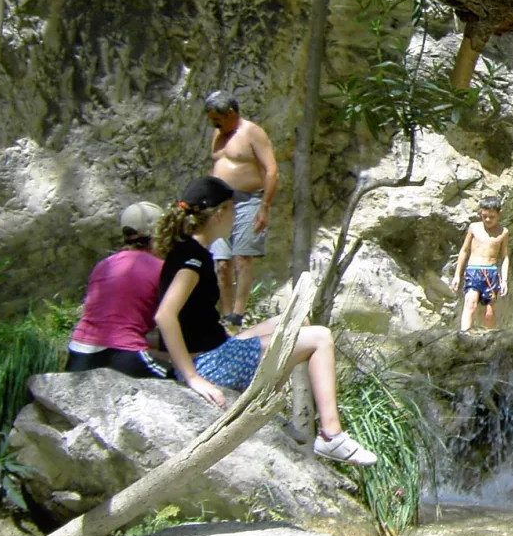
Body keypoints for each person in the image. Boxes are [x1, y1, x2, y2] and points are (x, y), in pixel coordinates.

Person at [154, 175, 376, 465]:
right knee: (321, 337)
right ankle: (332, 436)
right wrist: (193, 378)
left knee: (298, 323)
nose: (237, 215)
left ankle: (262, 406)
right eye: (233, 208)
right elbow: (165, 315)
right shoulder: (193, 259)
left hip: (215, 352)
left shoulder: (188, 250)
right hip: (208, 364)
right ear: (219, 213)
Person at [67, 201, 172, 378]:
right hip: (122, 354)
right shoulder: (162, 269)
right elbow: (172, 329)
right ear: (159, 235)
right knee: (180, 377)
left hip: (79, 353)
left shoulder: (103, 265)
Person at [204, 89, 278, 329]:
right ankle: (226, 314)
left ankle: (238, 312)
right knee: (221, 261)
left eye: (217, 119)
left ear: (231, 113)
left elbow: (271, 170)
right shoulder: (217, 135)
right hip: (220, 205)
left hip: (248, 201)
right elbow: (214, 168)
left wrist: (264, 206)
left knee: (242, 258)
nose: (214, 124)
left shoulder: (252, 132)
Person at [450, 196, 510, 332]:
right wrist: (457, 275)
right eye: (484, 216)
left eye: (492, 217)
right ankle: (464, 335)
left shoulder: (503, 232)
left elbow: (505, 256)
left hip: (491, 272)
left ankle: (489, 338)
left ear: (499, 214)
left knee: (489, 312)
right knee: (470, 303)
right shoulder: (474, 228)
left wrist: (504, 280)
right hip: (473, 270)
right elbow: (464, 250)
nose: (488, 220)